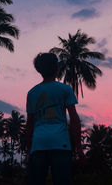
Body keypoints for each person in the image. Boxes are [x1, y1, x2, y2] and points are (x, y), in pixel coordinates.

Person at [26, 53, 85, 185]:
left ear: (40, 70)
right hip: (60, 143)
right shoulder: (65, 89)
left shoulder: (32, 93)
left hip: (38, 144)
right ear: (56, 68)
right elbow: (74, 119)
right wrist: (79, 148)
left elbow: (29, 124)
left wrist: (29, 150)